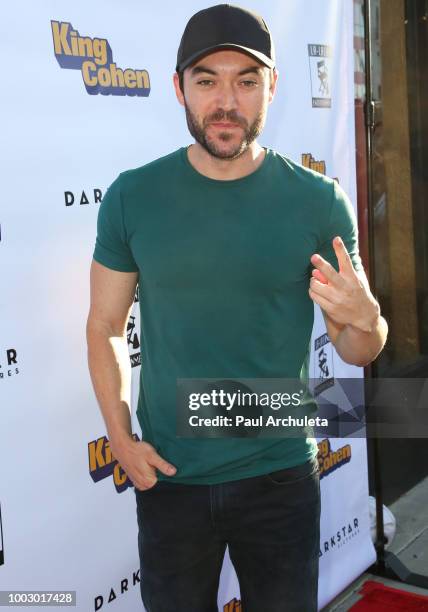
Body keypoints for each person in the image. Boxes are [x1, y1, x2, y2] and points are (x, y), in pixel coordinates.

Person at [86, 4, 388, 611]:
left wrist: (367, 315)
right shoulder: (131, 197)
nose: (227, 101)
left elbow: (361, 346)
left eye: (246, 81)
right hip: (170, 477)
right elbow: (105, 326)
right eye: (207, 80)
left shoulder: (317, 203)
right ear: (179, 89)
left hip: (280, 479)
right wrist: (119, 435)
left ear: (272, 88)